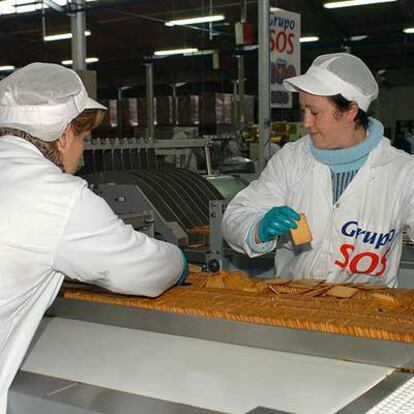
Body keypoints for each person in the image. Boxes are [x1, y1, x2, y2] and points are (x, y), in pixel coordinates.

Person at [0, 62, 187, 413]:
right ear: (64, 134)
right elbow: (138, 271)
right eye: (84, 139)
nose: (83, 152)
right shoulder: (57, 196)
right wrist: (178, 262)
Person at [222, 52, 414, 289]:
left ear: (350, 111)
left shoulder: (402, 172)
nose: (305, 122)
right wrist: (258, 228)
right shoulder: (292, 159)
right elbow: (236, 216)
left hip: (367, 314)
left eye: (314, 112)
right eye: (302, 110)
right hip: (294, 308)